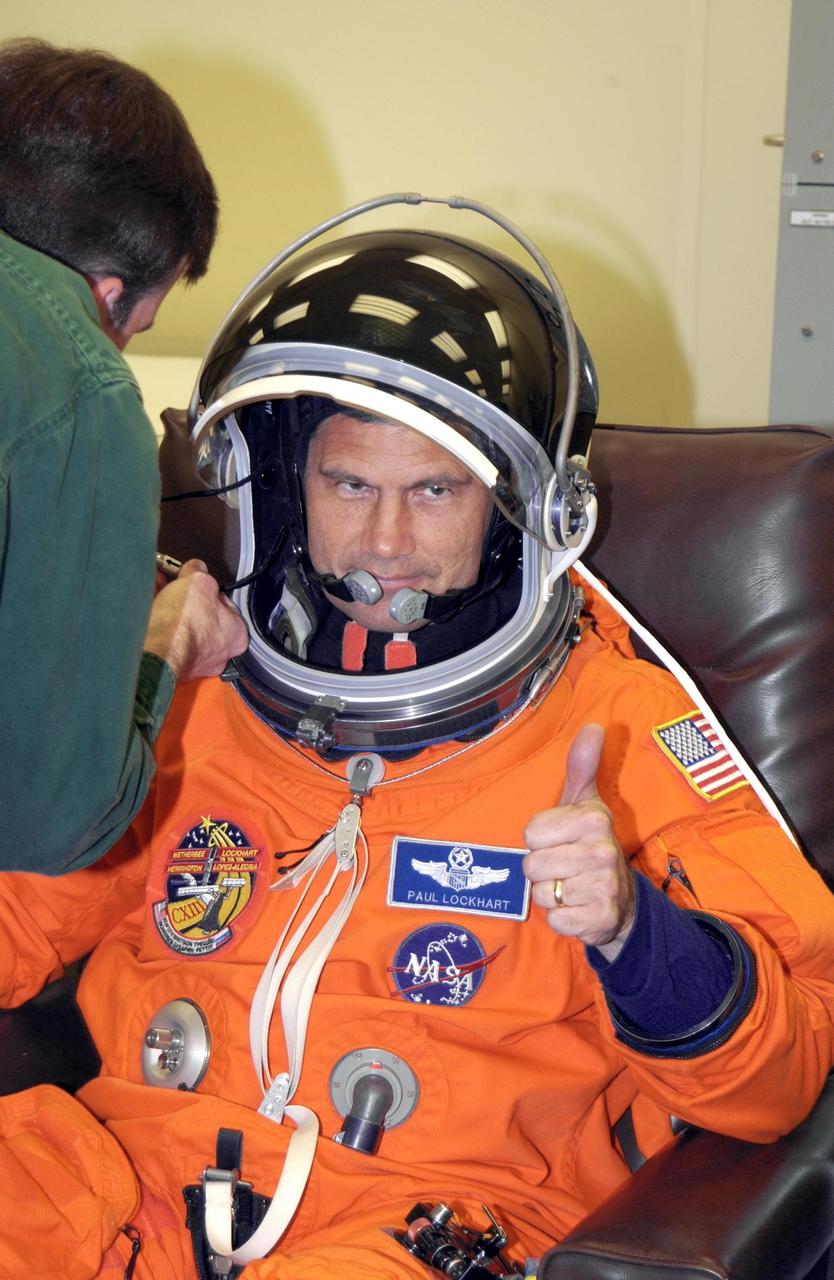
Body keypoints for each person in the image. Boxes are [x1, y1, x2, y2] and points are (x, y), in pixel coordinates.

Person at [1, 202, 833, 1280]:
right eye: (350, 484)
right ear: (284, 488)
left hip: (423, 1224)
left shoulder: (624, 729)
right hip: (131, 1184)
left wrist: (636, 932)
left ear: (516, 508)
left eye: (434, 490)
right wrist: (117, 680)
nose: (385, 543)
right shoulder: (194, 692)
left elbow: (782, 1080)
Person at [0, 37, 247, 876]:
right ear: (109, 296)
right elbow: (48, 818)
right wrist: (163, 644)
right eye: (132, 332)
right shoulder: (81, 384)